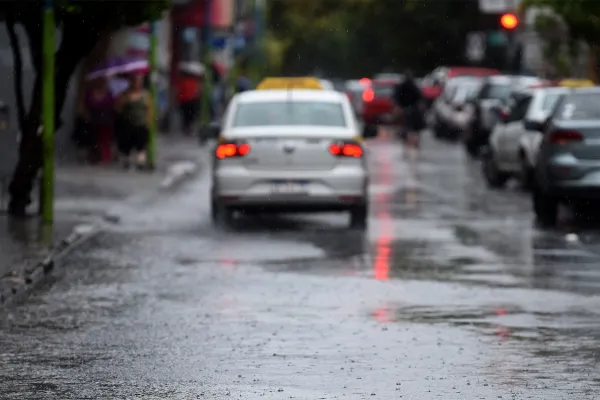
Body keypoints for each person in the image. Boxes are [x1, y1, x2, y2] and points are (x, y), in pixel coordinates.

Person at [115, 73, 152, 169]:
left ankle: (140, 163)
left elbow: (149, 109)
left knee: (141, 146)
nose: (137, 84)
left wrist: (148, 122)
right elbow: (118, 109)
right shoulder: (125, 95)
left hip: (141, 124)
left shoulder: (145, 94)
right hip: (128, 124)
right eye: (135, 81)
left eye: (139, 82)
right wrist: (123, 101)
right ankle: (126, 161)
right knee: (126, 146)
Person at [84, 77, 115, 164]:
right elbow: (86, 105)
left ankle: (105, 158)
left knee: (105, 139)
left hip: (106, 120)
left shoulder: (109, 94)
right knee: (94, 139)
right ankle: (95, 157)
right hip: (93, 119)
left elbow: (113, 105)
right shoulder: (90, 93)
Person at [392, 70, 425, 149]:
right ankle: (408, 139)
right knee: (410, 126)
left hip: (409, 109)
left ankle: (408, 139)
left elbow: (396, 98)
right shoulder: (410, 86)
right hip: (408, 109)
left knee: (409, 126)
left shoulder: (406, 87)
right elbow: (420, 97)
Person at [177, 70, 200, 136]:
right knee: (189, 116)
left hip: (186, 101)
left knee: (186, 116)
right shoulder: (193, 81)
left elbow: (181, 91)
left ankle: (186, 127)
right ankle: (188, 127)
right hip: (190, 101)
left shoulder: (184, 81)